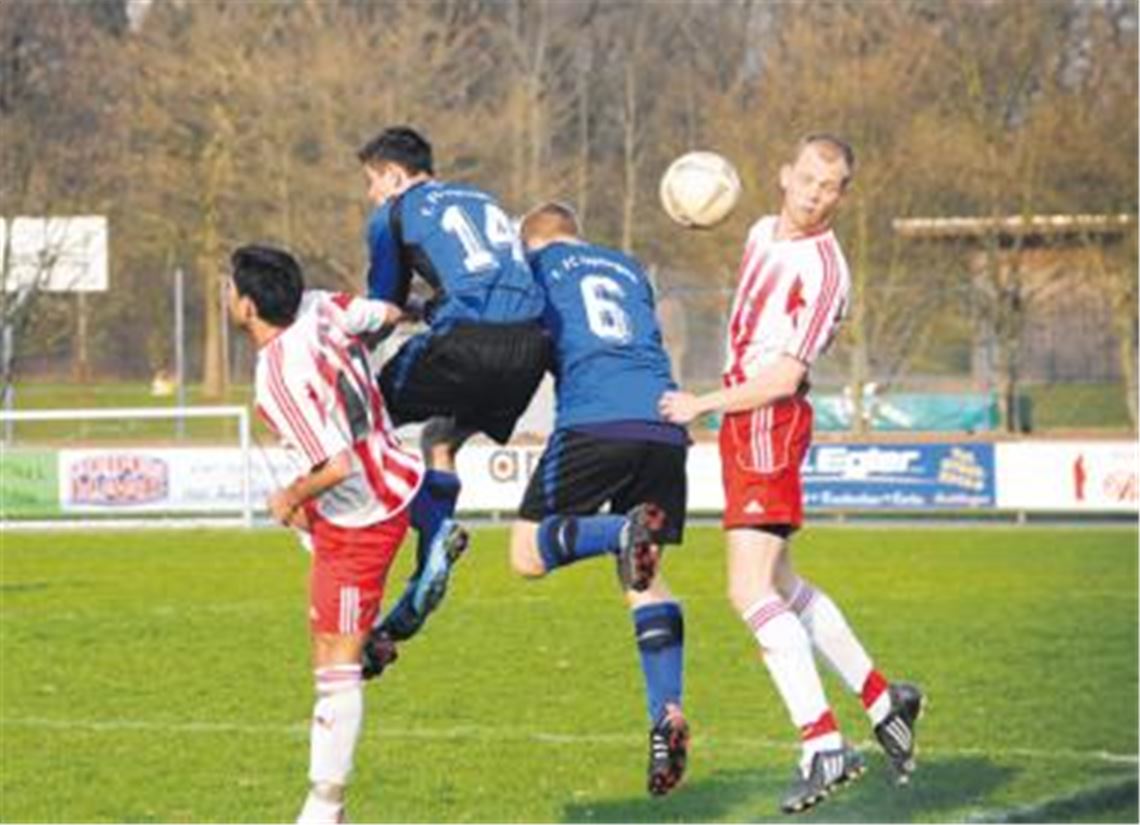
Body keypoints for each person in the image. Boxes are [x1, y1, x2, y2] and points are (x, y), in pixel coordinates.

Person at [660, 135, 924, 815]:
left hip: (767, 423)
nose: (813, 192)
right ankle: (880, 697)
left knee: (748, 590)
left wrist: (703, 403)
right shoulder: (755, 230)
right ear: (784, 175)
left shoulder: (825, 268)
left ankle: (822, 743)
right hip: (747, 425)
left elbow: (782, 377)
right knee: (781, 583)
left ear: (841, 196)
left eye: (828, 185)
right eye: (806, 177)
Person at [227, 244, 423, 824]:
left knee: (334, 669)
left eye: (229, 287)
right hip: (389, 475)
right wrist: (419, 308)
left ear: (247, 305)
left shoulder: (278, 372)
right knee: (334, 644)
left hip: (361, 516)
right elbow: (385, 314)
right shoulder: (322, 307)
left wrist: (288, 497)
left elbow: (335, 466)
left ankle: (323, 807)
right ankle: (372, 636)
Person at [510, 202, 690, 796]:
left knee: (528, 555)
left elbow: (515, 338)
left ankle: (618, 533)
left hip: (597, 420)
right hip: (664, 425)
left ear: (531, 242)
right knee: (642, 582)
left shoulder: (537, 269)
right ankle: (666, 714)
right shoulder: (629, 266)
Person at [357, 126, 550, 667]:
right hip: (528, 345)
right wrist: (433, 311)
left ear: (394, 176)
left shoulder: (392, 215)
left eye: (373, 182)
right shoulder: (482, 199)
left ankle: (431, 529)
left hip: (468, 342)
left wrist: (344, 341)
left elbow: (384, 311)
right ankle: (425, 573)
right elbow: (482, 281)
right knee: (441, 439)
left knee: (362, 422)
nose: (372, 194)